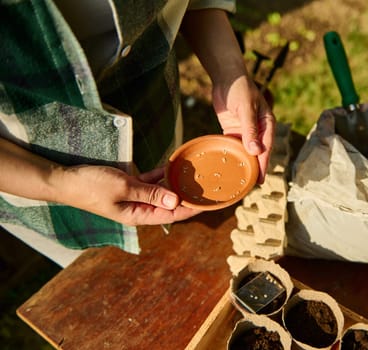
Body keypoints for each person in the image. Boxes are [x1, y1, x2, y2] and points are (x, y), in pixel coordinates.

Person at [0, 0, 275, 266]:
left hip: (155, 118)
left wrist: (230, 73)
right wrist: (58, 183)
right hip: (33, 173)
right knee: (99, 273)